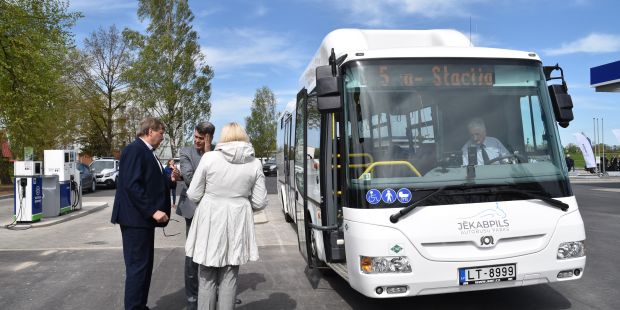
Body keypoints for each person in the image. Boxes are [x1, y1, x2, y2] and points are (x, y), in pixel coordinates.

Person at [185, 122, 267, 310]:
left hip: (210, 221)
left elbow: (193, 194)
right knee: (230, 275)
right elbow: (260, 202)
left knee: (206, 275)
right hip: (237, 222)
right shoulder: (254, 163)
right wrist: (241, 204)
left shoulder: (210, 158)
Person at [111, 117, 178, 310]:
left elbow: (151, 182)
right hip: (135, 220)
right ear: (150, 131)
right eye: (161, 133)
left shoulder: (148, 152)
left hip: (142, 221)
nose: (163, 137)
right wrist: (152, 210)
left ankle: (140, 305)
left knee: (144, 268)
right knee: (138, 269)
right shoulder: (134, 150)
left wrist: (171, 179)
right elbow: (132, 186)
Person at [177, 121, 215, 310]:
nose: (197, 140)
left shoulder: (217, 153)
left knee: (212, 254)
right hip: (192, 209)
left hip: (214, 211)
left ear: (209, 138)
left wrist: (208, 152)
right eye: (196, 136)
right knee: (192, 256)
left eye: (201, 138)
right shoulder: (186, 152)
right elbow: (191, 179)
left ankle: (211, 295)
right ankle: (192, 299)